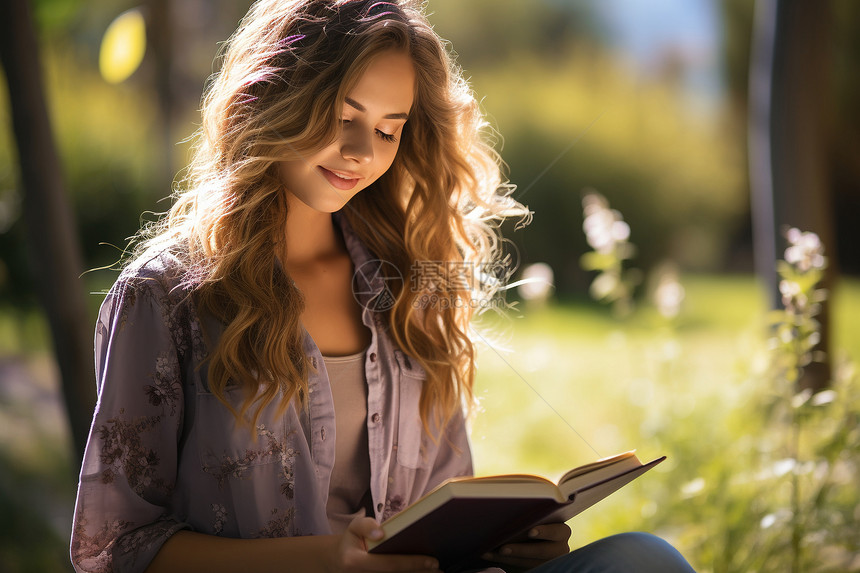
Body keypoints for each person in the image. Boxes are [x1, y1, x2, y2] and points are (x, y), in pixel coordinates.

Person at [70, 1, 696, 572]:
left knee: (643, 559)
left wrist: (506, 541)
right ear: (275, 94)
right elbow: (116, 545)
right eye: (344, 115)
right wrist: (326, 561)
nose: (359, 152)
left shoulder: (412, 288)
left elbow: (441, 506)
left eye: (388, 129)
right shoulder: (166, 295)